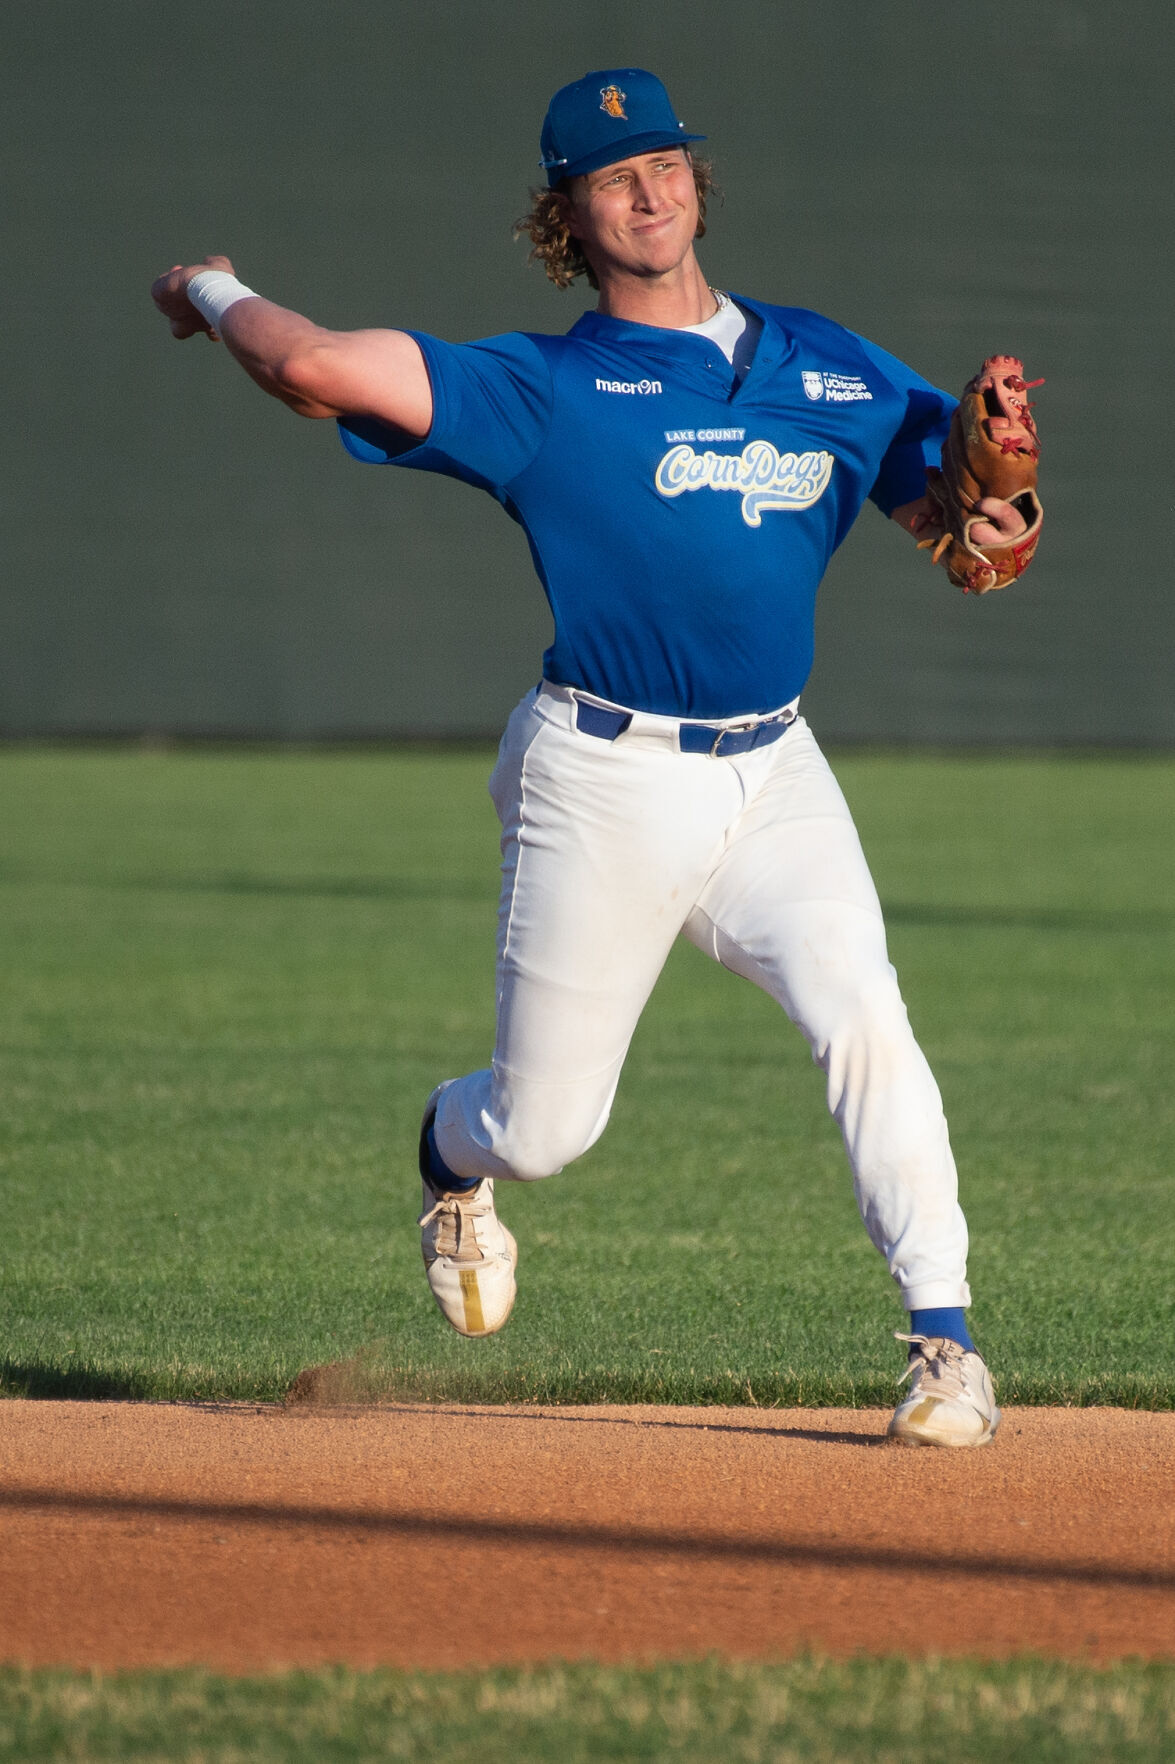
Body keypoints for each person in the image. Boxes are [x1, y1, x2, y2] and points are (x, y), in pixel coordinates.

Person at [153, 68, 1030, 1447]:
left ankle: (945, 1346)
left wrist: (989, 495)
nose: (648, 186)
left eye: (664, 160)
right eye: (611, 174)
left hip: (777, 772)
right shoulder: (546, 389)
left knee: (867, 1012)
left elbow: (963, 531)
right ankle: (452, 1151)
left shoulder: (835, 368)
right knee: (546, 1130)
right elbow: (316, 369)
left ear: (695, 178)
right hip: (604, 777)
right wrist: (211, 290)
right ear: (567, 216)